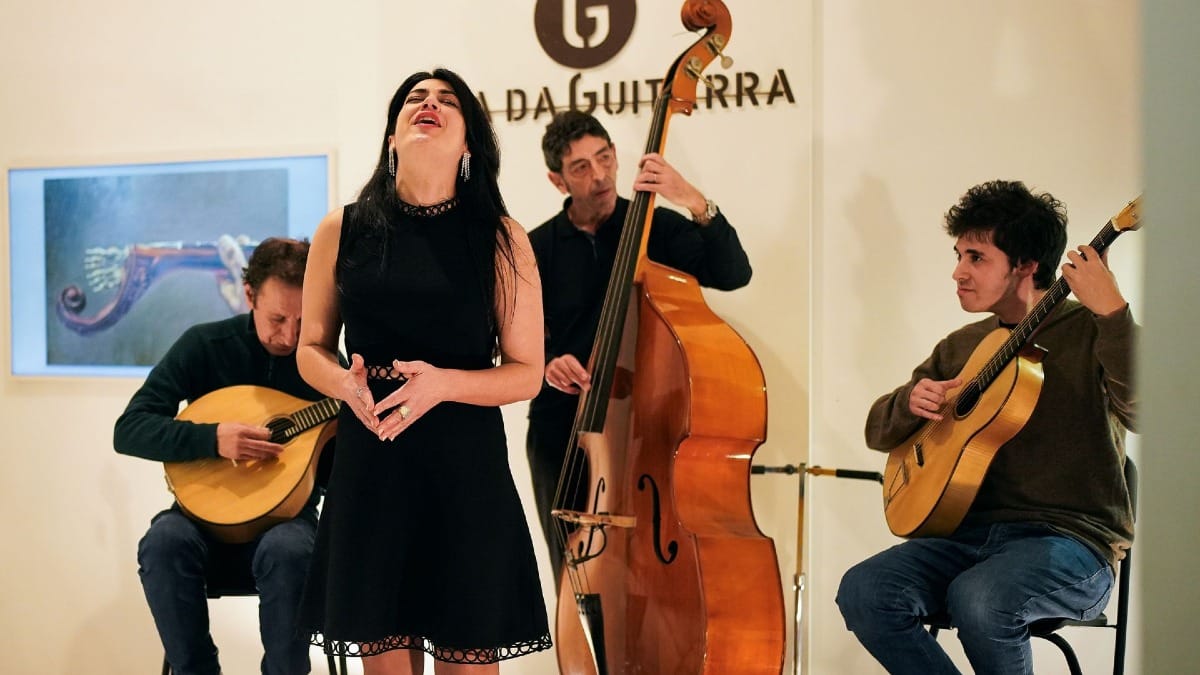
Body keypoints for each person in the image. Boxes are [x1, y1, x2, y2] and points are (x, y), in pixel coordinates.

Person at [294, 68, 550, 675]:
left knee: (466, 661)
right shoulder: (342, 228)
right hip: (371, 459)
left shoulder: (500, 239)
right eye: (415, 98)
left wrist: (444, 384)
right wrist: (342, 384)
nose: (427, 105)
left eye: (446, 101)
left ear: (468, 144)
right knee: (382, 660)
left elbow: (526, 374)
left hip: (463, 466)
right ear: (391, 137)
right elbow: (310, 347)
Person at [836, 180, 1137, 675]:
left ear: (1026, 265)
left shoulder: (1092, 328)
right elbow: (878, 432)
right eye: (958, 255)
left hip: (1071, 545)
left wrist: (1114, 314)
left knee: (981, 598)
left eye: (976, 257)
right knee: (867, 590)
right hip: (966, 539)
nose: (957, 272)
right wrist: (909, 402)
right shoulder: (962, 345)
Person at [525, 109, 753, 578]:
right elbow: (505, 337)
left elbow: (734, 274)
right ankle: (583, 652)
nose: (601, 175)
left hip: (646, 423)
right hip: (563, 429)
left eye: (605, 158)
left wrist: (690, 197)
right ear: (556, 180)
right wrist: (548, 362)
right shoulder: (535, 248)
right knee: (572, 566)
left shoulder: (655, 227)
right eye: (581, 167)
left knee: (650, 564)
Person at [114, 236, 326, 675]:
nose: (289, 336)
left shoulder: (323, 366)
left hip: (287, 524)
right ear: (249, 295)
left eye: (302, 321)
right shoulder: (204, 346)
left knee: (290, 551)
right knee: (163, 542)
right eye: (277, 318)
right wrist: (211, 439)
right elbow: (129, 429)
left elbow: (344, 471)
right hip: (202, 521)